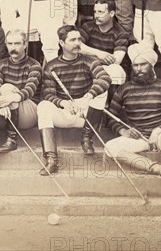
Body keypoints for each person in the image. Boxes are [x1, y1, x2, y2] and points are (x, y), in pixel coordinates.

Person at [104, 43, 161, 206]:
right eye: (135, 65)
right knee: (110, 147)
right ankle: (159, 169)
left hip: (159, 137)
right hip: (138, 138)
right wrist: (124, 131)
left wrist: (159, 130)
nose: (138, 69)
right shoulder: (123, 90)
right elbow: (110, 118)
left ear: (151, 65)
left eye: (143, 64)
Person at [37, 25, 111, 174]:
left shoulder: (90, 61)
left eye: (79, 39)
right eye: (72, 40)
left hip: (85, 115)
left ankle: (86, 139)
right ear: (62, 43)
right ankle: (51, 160)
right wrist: (63, 103)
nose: (77, 43)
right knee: (43, 106)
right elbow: (49, 95)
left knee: (101, 92)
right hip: (65, 111)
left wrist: (87, 97)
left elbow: (105, 78)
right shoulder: (51, 66)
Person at [0, 29, 42, 175]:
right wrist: (1, 100)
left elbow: (29, 91)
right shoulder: (0, 65)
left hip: (29, 113)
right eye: (10, 43)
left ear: (25, 45)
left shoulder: (34, 65)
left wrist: (6, 98)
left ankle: (12, 139)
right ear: (6, 44)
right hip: (6, 112)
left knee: (7, 89)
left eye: (17, 43)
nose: (13, 47)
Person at [79, 0, 129, 92]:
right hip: (89, 66)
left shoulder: (121, 33)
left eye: (100, 12)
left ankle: (110, 105)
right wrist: (99, 54)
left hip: (107, 70)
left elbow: (116, 60)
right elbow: (76, 46)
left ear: (111, 13)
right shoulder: (88, 26)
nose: (96, 15)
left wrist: (86, 53)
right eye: (95, 12)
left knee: (115, 70)